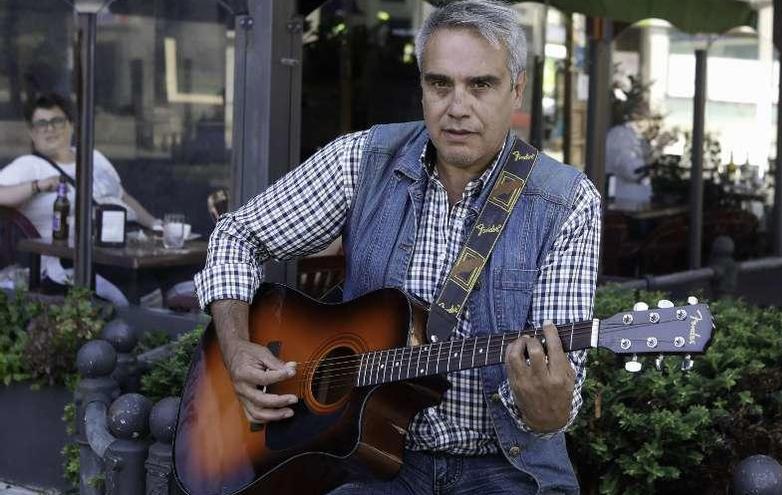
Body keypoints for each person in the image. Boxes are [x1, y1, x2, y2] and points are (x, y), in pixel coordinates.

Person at [194, 1, 601, 493]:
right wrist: (236, 348)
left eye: (481, 85)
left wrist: (547, 406)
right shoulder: (361, 160)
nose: (457, 107)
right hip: (364, 455)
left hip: (503, 466)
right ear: (422, 88)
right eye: (439, 84)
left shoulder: (566, 202)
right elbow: (237, 235)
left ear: (516, 89)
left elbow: (551, 407)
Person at [0, 92, 160, 305]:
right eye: (41, 124)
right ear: (32, 132)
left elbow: (124, 197)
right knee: (137, 296)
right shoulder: (29, 165)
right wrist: (38, 185)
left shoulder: (93, 156)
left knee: (179, 280)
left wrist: (157, 225)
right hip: (79, 261)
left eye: (57, 121)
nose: (50, 128)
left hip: (131, 248)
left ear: (72, 124)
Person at [605, 95, 653, 209]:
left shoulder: (633, 135)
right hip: (626, 200)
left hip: (634, 198)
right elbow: (632, 172)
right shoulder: (621, 136)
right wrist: (654, 158)